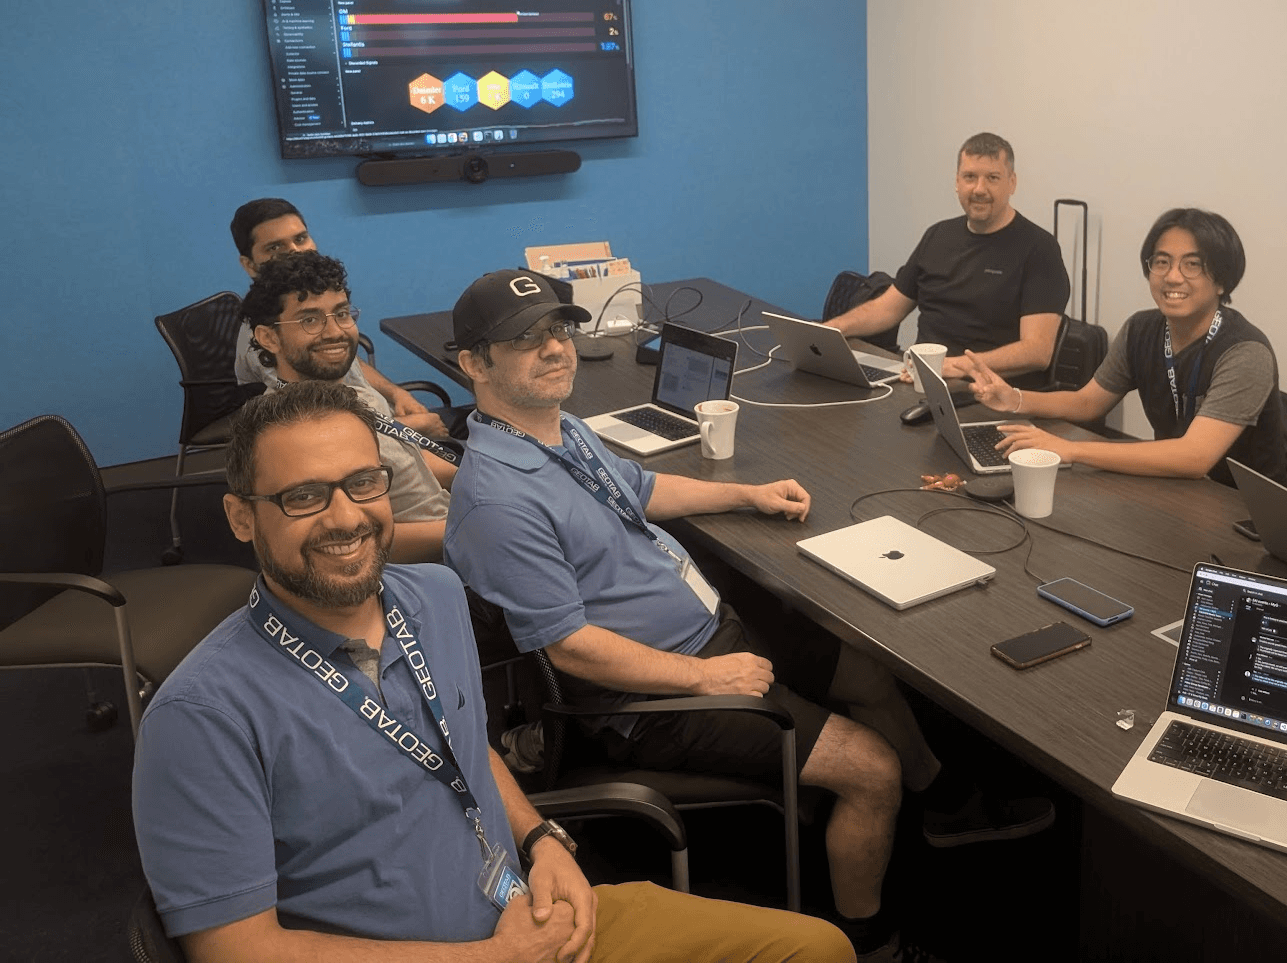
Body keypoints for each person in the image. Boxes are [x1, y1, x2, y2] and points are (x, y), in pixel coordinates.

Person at [132, 380, 853, 963]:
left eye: (363, 482)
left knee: (817, 948)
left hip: (538, 914)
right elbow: (234, 947)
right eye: (303, 496)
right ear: (240, 517)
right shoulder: (202, 715)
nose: (345, 517)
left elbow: (464, 744)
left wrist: (543, 841)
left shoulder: (437, 597)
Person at [443, 269, 1052, 961]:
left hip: (706, 630)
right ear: (474, 364)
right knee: (869, 766)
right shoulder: (496, 501)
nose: (554, 348)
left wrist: (747, 495)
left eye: (558, 330)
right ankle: (870, 939)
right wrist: (702, 678)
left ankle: (940, 802)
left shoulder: (560, 432)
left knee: (866, 669)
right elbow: (569, 647)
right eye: (526, 340)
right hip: (647, 697)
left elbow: (637, 490)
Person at [963, 208, 1286, 485]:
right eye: (1162, 262)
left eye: (1192, 265)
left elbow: (1194, 456)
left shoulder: (1245, 352)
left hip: (1241, 514)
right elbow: (1088, 403)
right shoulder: (1141, 329)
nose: (1172, 277)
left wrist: (1069, 449)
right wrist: (1014, 399)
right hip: (1174, 490)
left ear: (1222, 280)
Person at [241, 251, 453, 562]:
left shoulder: (341, 383)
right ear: (269, 337)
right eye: (309, 320)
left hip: (451, 524)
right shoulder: (296, 431)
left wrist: (478, 479)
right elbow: (357, 542)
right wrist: (473, 531)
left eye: (341, 314)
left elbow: (406, 461)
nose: (335, 332)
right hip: (425, 567)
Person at [823, 133, 1070, 383]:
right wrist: (832, 330)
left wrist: (957, 366)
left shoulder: (1039, 249)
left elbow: (1037, 351)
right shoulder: (937, 235)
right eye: (970, 177)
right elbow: (888, 309)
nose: (979, 189)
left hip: (986, 393)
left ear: (1012, 183)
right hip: (920, 381)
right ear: (957, 182)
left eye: (992, 178)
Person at [229, 197, 448, 436]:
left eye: (300, 239)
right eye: (275, 247)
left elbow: (349, 362)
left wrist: (396, 393)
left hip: (383, 419)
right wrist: (414, 430)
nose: (295, 252)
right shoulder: (272, 337)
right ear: (249, 265)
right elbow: (319, 428)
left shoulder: (319, 300)